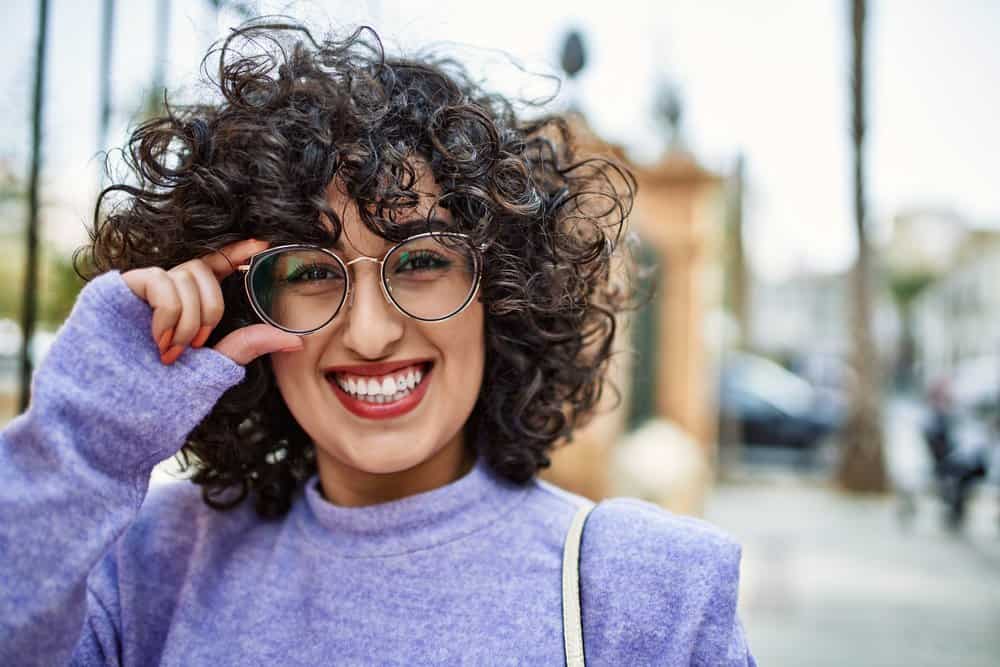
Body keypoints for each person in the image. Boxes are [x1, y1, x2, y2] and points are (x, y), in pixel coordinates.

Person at [0, 21, 755, 665]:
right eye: (311, 271)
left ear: (501, 292)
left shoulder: (648, 592)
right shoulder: (146, 570)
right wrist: (88, 436)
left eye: (423, 260)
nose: (370, 332)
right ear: (244, 304)